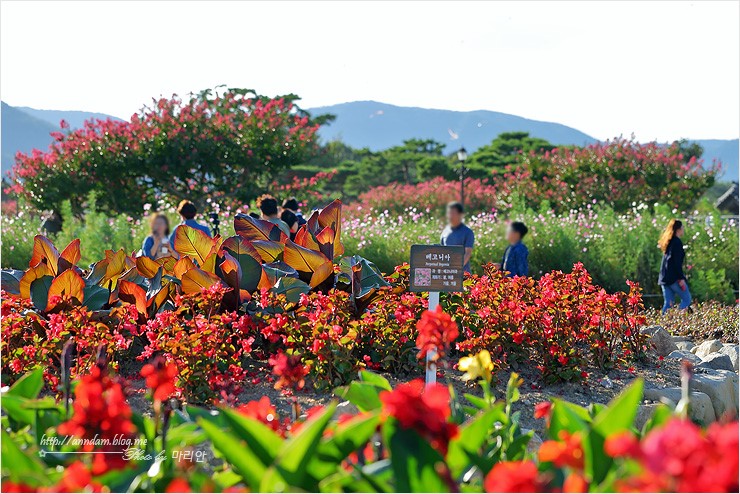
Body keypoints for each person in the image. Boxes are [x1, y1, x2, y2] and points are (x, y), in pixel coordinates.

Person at [658, 219, 691, 313]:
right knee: (687, 299)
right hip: (674, 278)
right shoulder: (677, 243)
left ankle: (661, 324)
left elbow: (667, 262)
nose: (683, 229)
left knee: (668, 304)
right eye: (682, 227)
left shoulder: (668, 242)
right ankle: (678, 318)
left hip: (664, 278)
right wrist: (681, 278)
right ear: (678, 229)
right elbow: (676, 263)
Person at [440, 201, 474, 273]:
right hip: (446, 274)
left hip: (463, 274)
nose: (450, 216)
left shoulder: (467, 232)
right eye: (449, 213)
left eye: (453, 213)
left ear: (460, 215)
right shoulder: (445, 232)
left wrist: (456, 268)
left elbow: (468, 253)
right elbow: (441, 252)